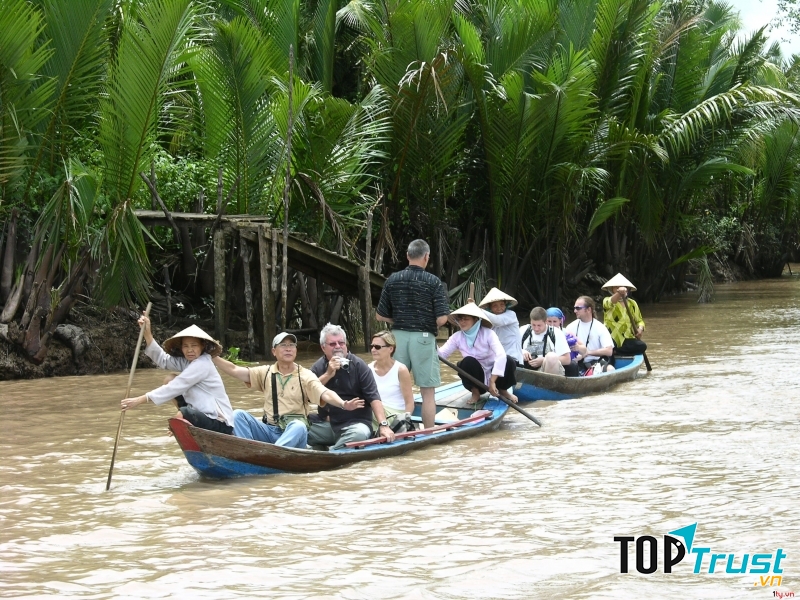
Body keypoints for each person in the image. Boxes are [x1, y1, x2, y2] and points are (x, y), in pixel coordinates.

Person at [212, 332, 356, 448]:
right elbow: (235, 370)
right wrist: (213, 356)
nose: (288, 349)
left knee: (299, 426)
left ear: (296, 351)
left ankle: (271, 455)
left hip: (293, 433)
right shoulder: (266, 372)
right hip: (269, 430)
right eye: (283, 345)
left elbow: (325, 393)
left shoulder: (305, 375)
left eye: (291, 345)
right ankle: (247, 451)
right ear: (274, 351)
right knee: (238, 415)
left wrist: (343, 404)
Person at [376, 239, 450, 428]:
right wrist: (424, 322)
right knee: (427, 392)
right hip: (424, 339)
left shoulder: (393, 279)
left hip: (396, 338)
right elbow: (442, 319)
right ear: (427, 257)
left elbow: (380, 315)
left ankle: (392, 427)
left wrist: (399, 321)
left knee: (396, 386)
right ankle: (428, 434)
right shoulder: (433, 282)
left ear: (407, 256)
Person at [120, 318, 234, 434]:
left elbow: (176, 386)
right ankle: (184, 420)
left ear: (202, 346)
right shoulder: (187, 362)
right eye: (185, 346)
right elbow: (163, 360)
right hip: (201, 413)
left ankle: (183, 419)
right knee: (169, 379)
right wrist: (148, 334)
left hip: (219, 422)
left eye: (194, 345)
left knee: (183, 413)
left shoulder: (203, 364)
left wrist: (139, 400)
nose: (189, 350)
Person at [308, 324, 396, 449]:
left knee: (359, 434)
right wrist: (328, 374)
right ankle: (332, 448)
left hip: (355, 425)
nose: (338, 347)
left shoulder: (359, 365)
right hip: (327, 425)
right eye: (333, 344)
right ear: (323, 348)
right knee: (297, 428)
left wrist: (383, 425)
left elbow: (374, 397)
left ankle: (330, 453)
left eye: (341, 343)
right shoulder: (318, 367)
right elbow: (306, 395)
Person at [438, 302, 518, 405]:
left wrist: (492, 381)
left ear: (475, 320)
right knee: (467, 362)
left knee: (508, 360)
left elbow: (501, 355)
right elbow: (441, 355)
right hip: (476, 379)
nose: (462, 322)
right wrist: (431, 341)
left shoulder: (488, 333)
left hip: (496, 377)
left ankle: (503, 390)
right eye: (460, 319)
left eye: (466, 319)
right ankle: (475, 393)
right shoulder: (457, 337)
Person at [368, 330, 415, 415]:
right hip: (376, 410)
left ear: (390, 349)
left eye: (377, 347)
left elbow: (410, 402)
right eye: (372, 346)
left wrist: (405, 420)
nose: (373, 350)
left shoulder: (401, 370)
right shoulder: (368, 369)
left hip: (395, 413)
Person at [565, 296, 615, 374]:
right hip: (576, 362)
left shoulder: (600, 327)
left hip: (594, 362)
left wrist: (587, 352)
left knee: (610, 369)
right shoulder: (570, 327)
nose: (575, 311)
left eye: (578, 308)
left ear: (588, 309)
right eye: (574, 308)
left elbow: (609, 351)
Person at [602, 273, 647, 355]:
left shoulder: (632, 303)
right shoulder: (607, 300)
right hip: (611, 338)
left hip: (627, 339)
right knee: (610, 344)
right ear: (612, 290)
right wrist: (619, 293)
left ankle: (615, 352)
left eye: (623, 287)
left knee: (642, 346)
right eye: (616, 287)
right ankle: (612, 351)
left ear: (628, 289)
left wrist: (640, 329)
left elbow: (640, 321)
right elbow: (610, 302)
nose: (620, 289)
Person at [518, 307, 571, 375]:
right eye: (533, 325)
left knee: (551, 357)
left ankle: (548, 385)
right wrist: (521, 351)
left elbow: (567, 359)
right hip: (526, 369)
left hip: (548, 370)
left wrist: (543, 360)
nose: (536, 329)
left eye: (539, 325)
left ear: (546, 321)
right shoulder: (523, 330)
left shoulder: (556, 332)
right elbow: (510, 350)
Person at [477, 287, 523, 365]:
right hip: (497, 360)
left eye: (502, 304)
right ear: (490, 308)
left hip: (513, 359)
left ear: (506, 305)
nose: (499, 308)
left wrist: (477, 309)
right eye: (495, 306)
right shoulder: (488, 321)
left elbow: (498, 320)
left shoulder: (511, 315)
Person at [546, 307, 581, 376]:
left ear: (560, 321)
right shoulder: (541, 331)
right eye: (549, 321)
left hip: (562, 360)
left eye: (555, 321)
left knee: (573, 364)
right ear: (545, 321)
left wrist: (577, 348)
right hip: (548, 360)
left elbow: (584, 350)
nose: (552, 324)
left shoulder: (566, 332)